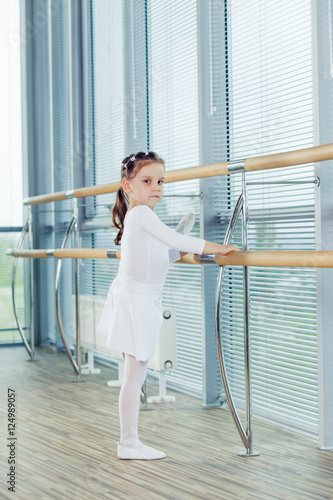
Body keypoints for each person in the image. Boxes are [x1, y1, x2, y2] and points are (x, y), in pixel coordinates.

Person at [97, 151, 239, 460]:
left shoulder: (140, 215)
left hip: (138, 300)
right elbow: (176, 244)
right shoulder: (142, 214)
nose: (156, 187)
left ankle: (129, 442)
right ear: (128, 186)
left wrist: (180, 237)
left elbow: (163, 255)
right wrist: (219, 248)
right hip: (137, 302)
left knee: (134, 375)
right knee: (134, 377)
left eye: (161, 181)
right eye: (147, 181)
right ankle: (129, 443)